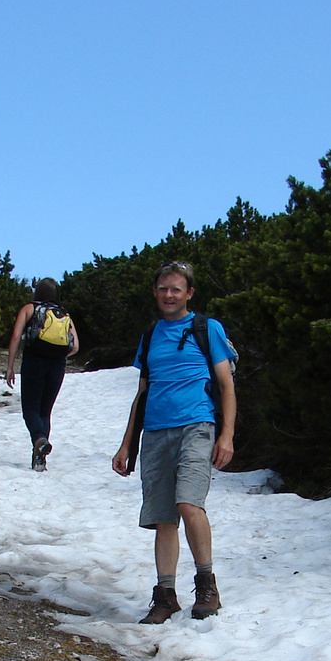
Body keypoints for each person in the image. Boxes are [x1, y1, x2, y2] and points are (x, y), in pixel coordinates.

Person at [112, 261, 236, 624]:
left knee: (188, 503)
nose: (169, 295)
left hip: (197, 424)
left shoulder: (207, 329)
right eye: (163, 288)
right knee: (163, 517)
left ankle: (207, 586)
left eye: (176, 289)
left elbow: (226, 385)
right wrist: (126, 445)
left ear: (189, 293)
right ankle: (165, 595)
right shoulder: (151, 335)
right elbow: (143, 392)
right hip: (155, 431)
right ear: (155, 292)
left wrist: (226, 434)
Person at [6, 279, 79, 471]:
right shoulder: (64, 314)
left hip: (34, 361)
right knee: (45, 411)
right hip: (57, 364)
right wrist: (58, 355)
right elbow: (76, 346)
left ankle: (39, 439)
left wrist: (10, 366)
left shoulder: (29, 309)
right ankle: (39, 459)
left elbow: (15, 336)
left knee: (30, 408)